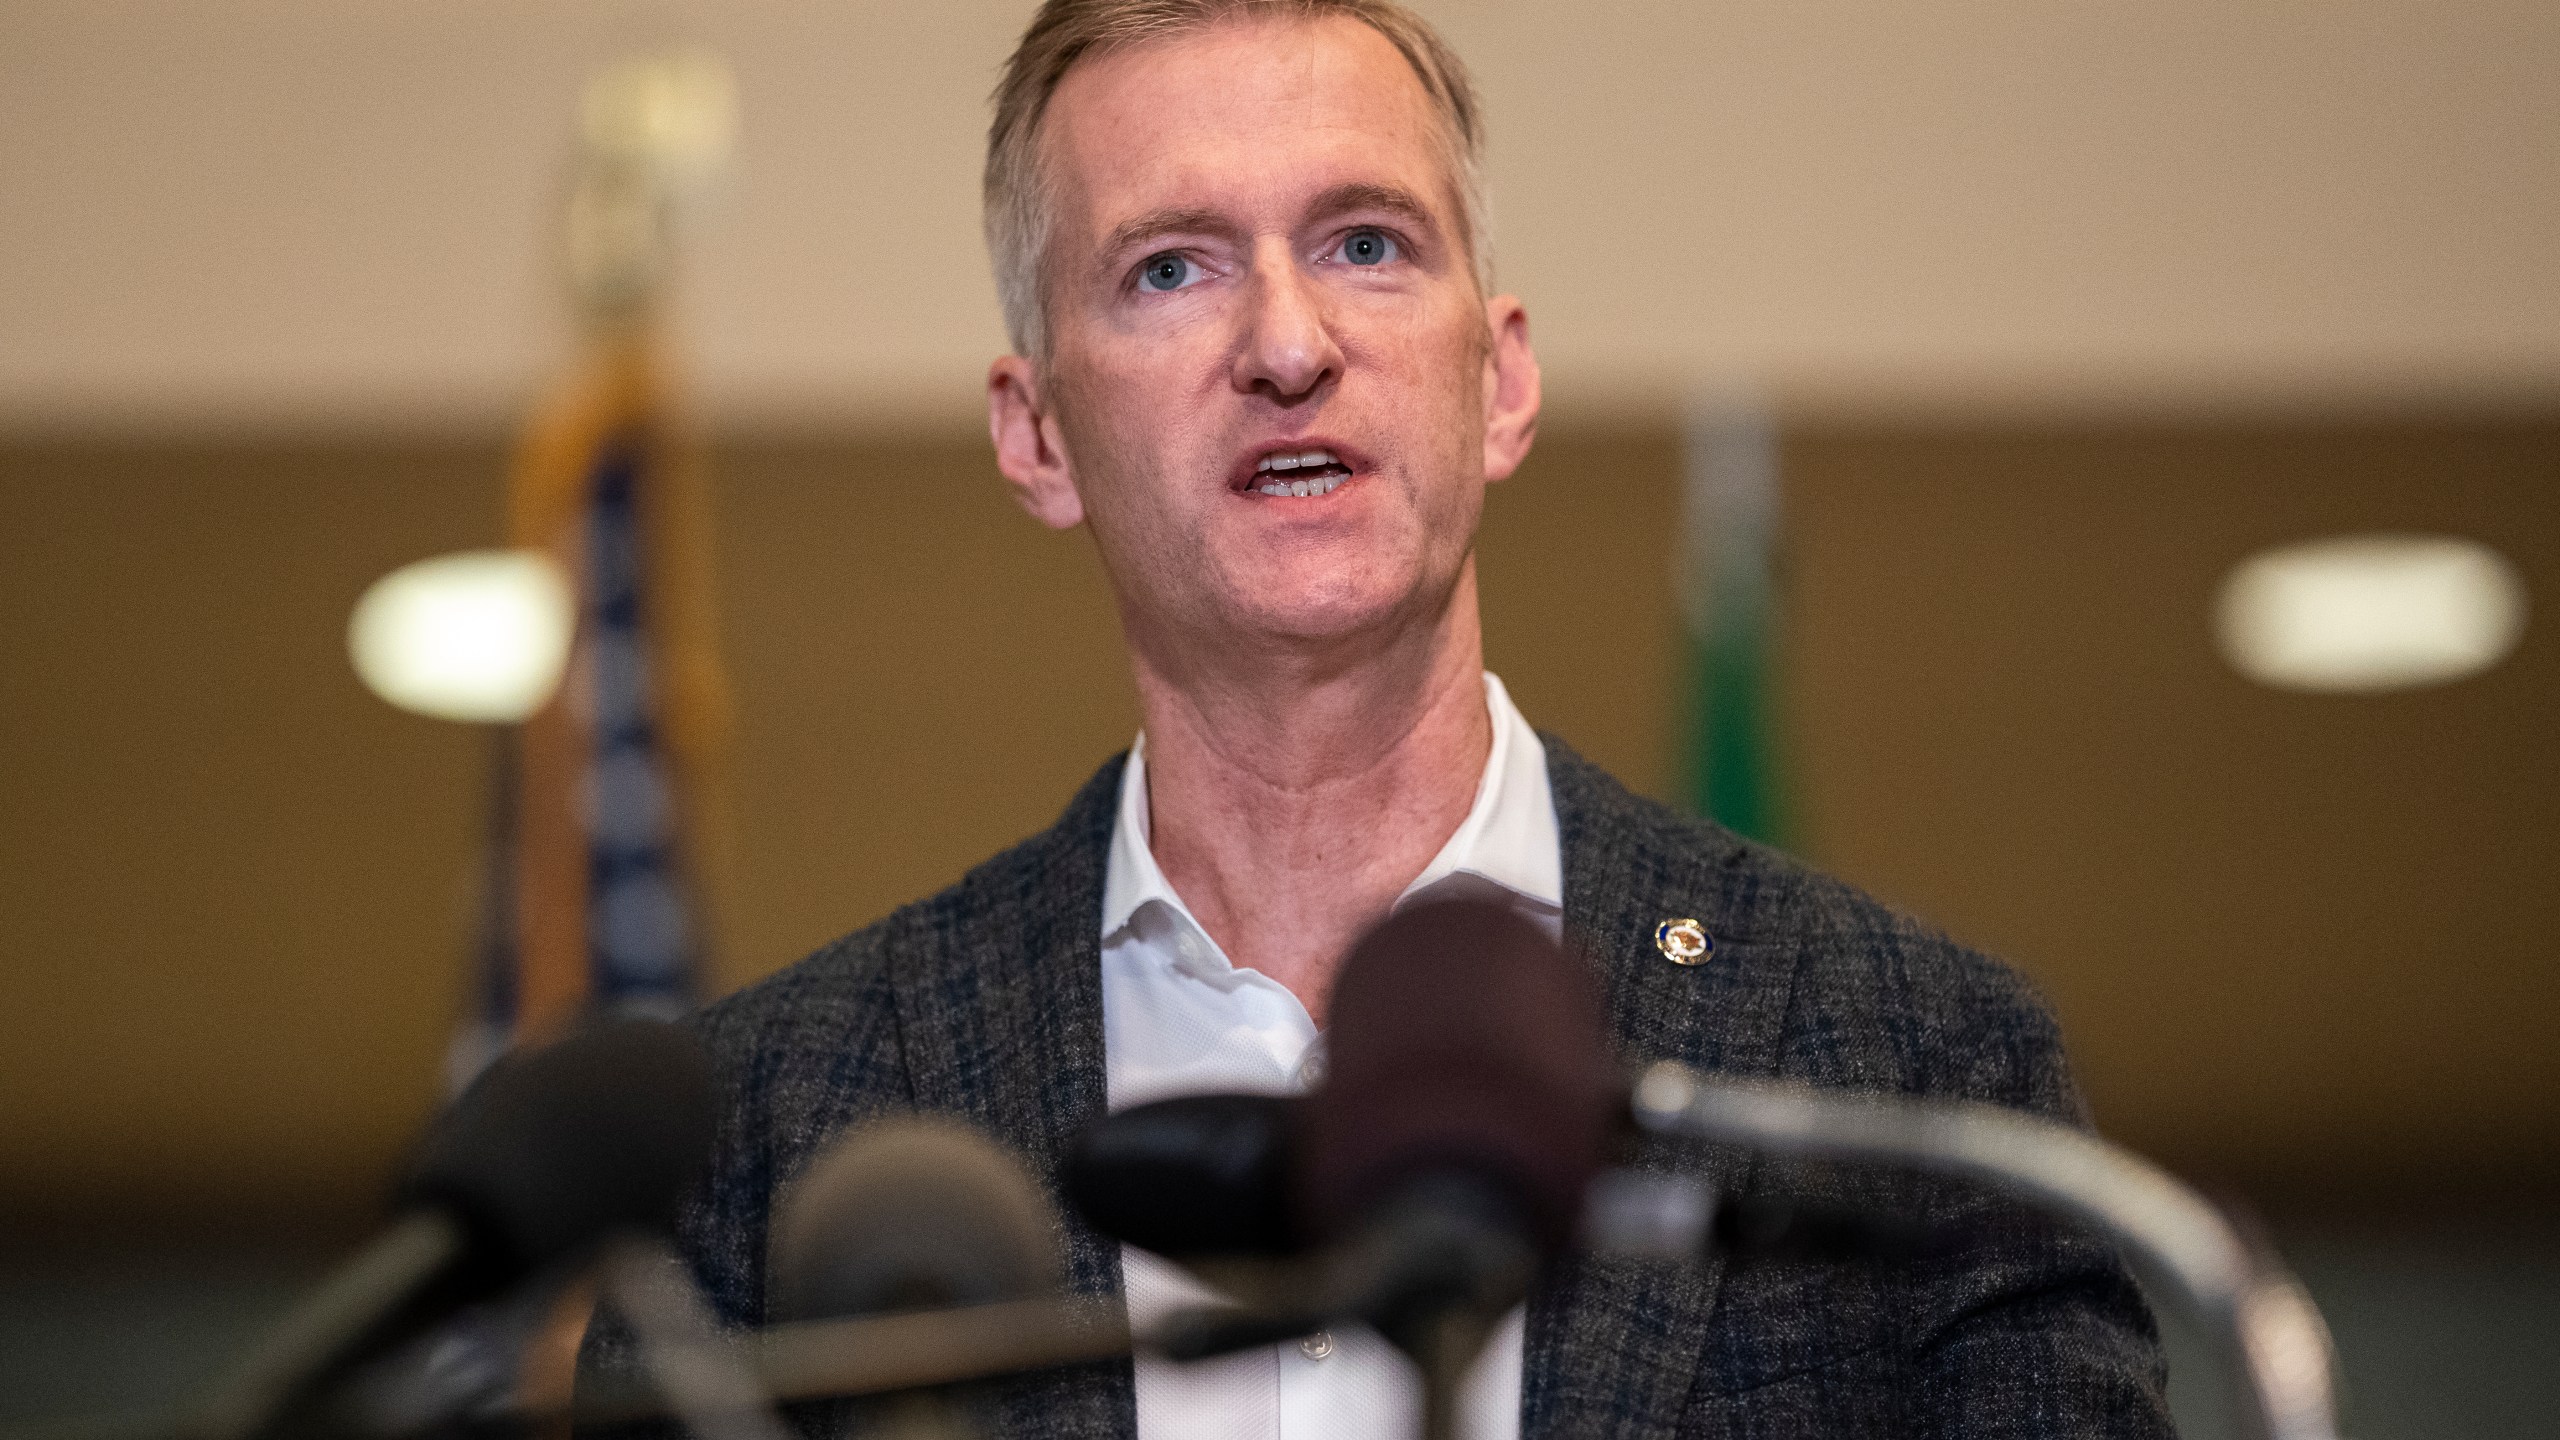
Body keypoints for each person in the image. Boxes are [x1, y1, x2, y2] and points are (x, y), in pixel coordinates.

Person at [594, 1, 2175, 1435]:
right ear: (1038, 435)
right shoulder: (770, 1137)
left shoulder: (1910, 1072)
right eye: (1171, 268)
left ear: (1499, 383)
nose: (1288, 346)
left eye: (1365, 244)